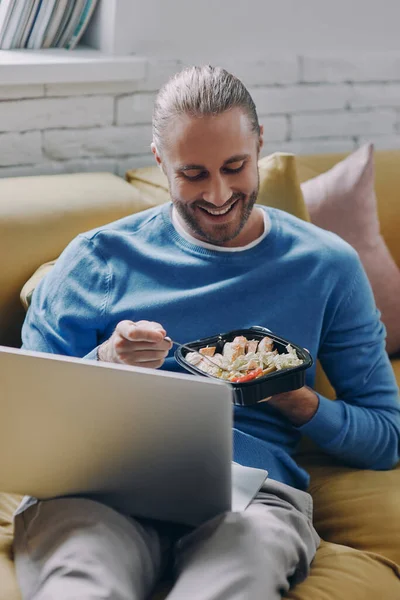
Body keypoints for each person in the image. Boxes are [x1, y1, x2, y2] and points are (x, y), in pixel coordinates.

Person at [13, 65, 399, 600]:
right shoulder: (97, 259)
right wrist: (108, 362)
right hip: (99, 490)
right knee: (84, 585)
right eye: (193, 174)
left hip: (252, 498)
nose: (218, 195)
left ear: (260, 144)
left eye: (235, 167)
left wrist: (299, 400)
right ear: (159, 160)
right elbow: (30, 423)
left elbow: (386, 435)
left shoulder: (326, 265)